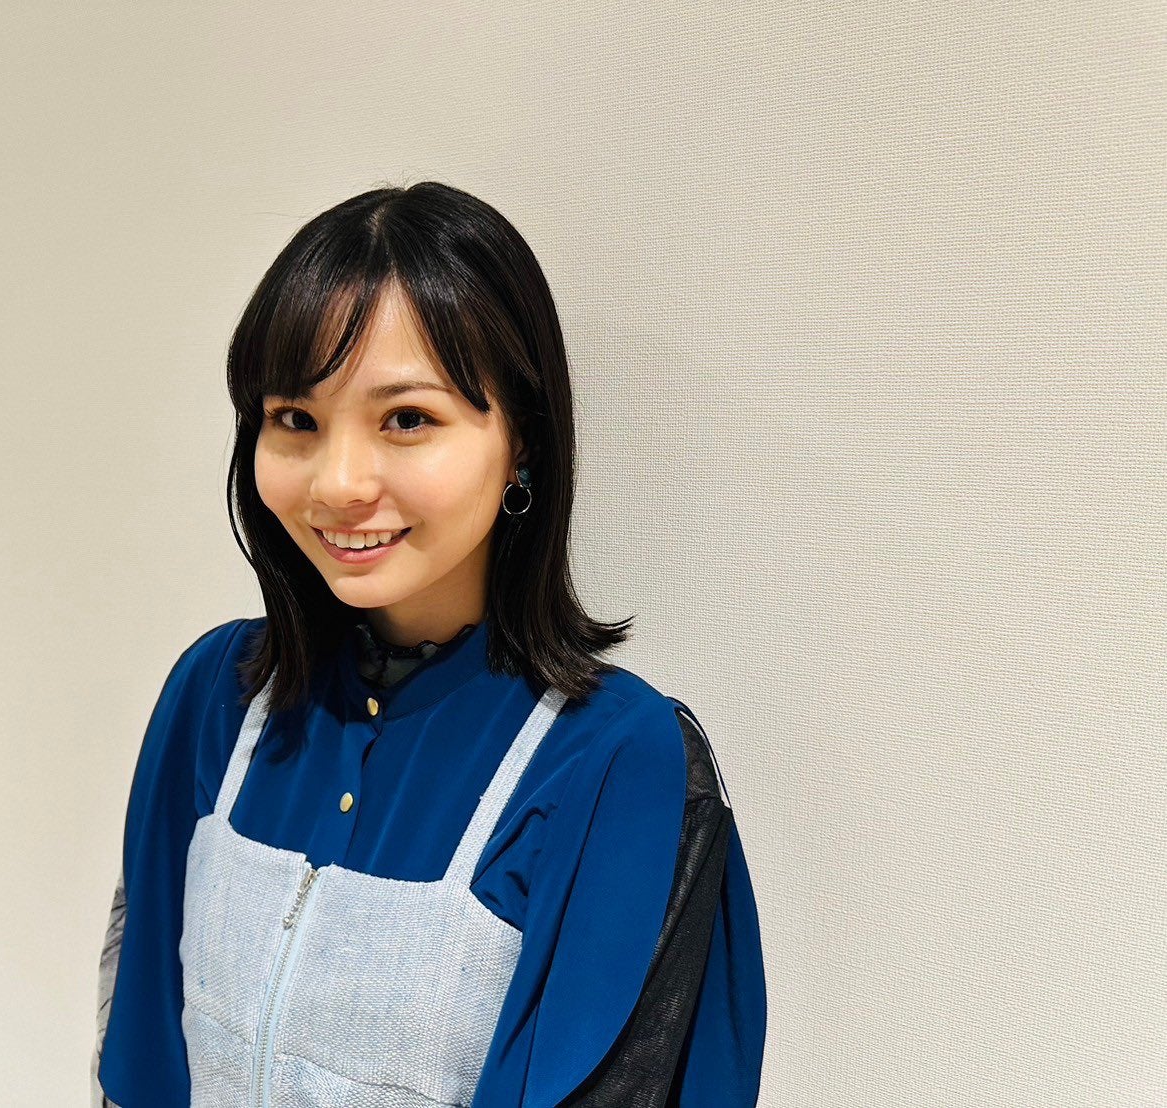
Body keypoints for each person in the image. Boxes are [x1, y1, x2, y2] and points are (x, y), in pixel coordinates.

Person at [92, 181, 766, 1107]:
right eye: (295, 420)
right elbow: (140, 1060)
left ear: (521, 441)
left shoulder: (616, 764)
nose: (338, 483)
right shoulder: (217, 696)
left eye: (406, 419)